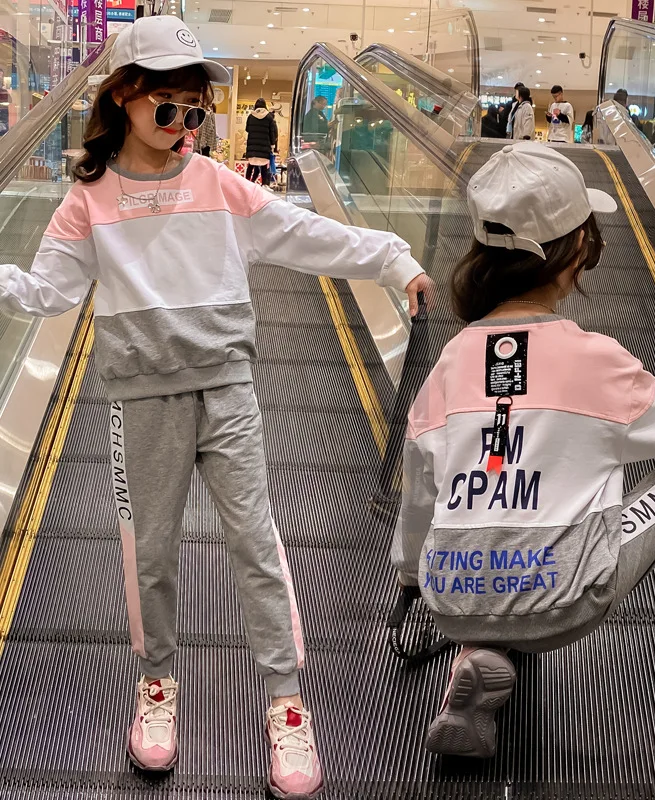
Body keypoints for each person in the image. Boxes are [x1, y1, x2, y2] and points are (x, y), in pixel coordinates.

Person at [0, 15, 433, 798]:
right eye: (168, 108)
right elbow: (48, 292)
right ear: (124, 97)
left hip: (227, 390)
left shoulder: (218, 186)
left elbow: (309, 236)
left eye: (194, 111)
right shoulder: (87, 201)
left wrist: (395, 259)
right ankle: (156, 685)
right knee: (151, 555)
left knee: (255, 543)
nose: (183, 126)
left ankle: (286, 701)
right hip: (142, 400)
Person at [391, 141, 655, 759]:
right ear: (576, 248)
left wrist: (414, 579)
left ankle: (479, 649)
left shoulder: (451, 361)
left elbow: (420, 493)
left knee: (492, 500)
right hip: (565, 596)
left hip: (453, 595)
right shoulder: (594, 360)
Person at [245, 98, 277, 186]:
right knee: (263, 167)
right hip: (264, 147)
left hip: (252, 147)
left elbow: (247, 129)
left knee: (251, 165)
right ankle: (264, 185)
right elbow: (272, 133)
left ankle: (246, 184)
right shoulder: (269, 117)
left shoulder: (251, 116)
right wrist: (273, 145)